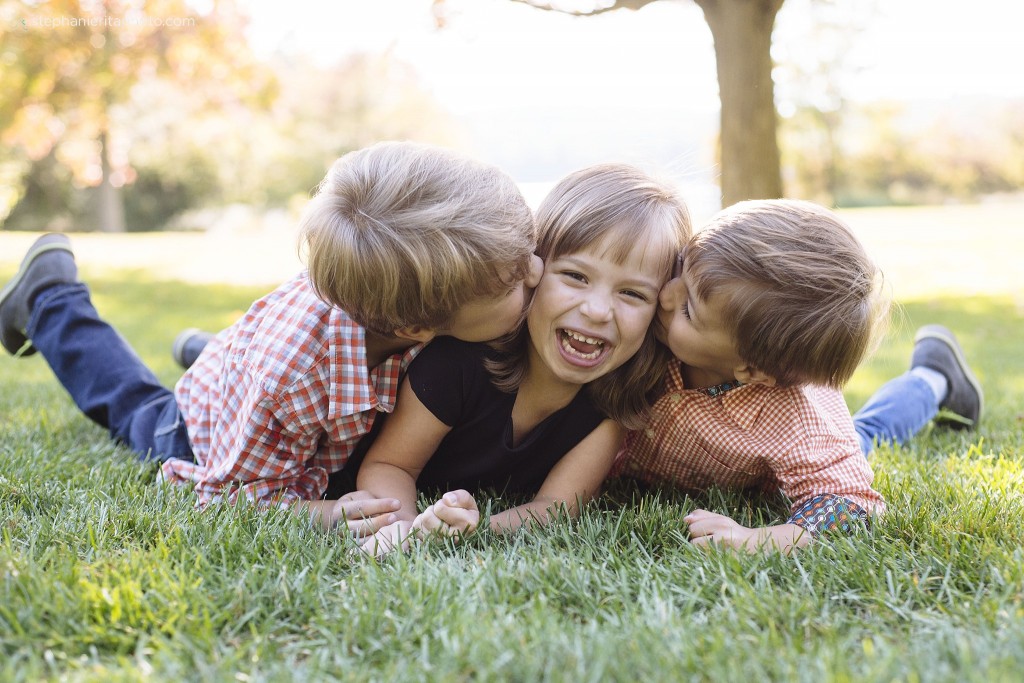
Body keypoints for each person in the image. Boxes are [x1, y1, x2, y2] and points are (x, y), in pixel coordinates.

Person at [0, 141, 542, 536]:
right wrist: (328, 513)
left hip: (266, 369)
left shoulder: (397, 300)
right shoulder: (289, 382)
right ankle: (51, 300)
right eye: (516, 280)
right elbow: (224, 500)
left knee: (258, 374)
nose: (538, 273)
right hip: (201, 424)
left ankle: (209, 349)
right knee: (135, 409)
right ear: (414, 328)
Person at [351, 163, 692, 554]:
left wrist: (471, 530)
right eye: (576, 277)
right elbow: (391, 466)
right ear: (531, 268)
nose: (598, 311)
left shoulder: (614, 400)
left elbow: (556, 506)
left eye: (633, 294)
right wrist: (407, 529)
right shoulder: (458, 362)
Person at [613, 199, 983, 553]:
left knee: (865, 434)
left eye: (688, 310)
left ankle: (934, 377)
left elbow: (855, 506)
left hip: (809, 445)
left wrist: (759, 539)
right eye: (680, 267)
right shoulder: (656, 327)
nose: (664, 295)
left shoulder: (798, 424)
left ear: (751, 370)